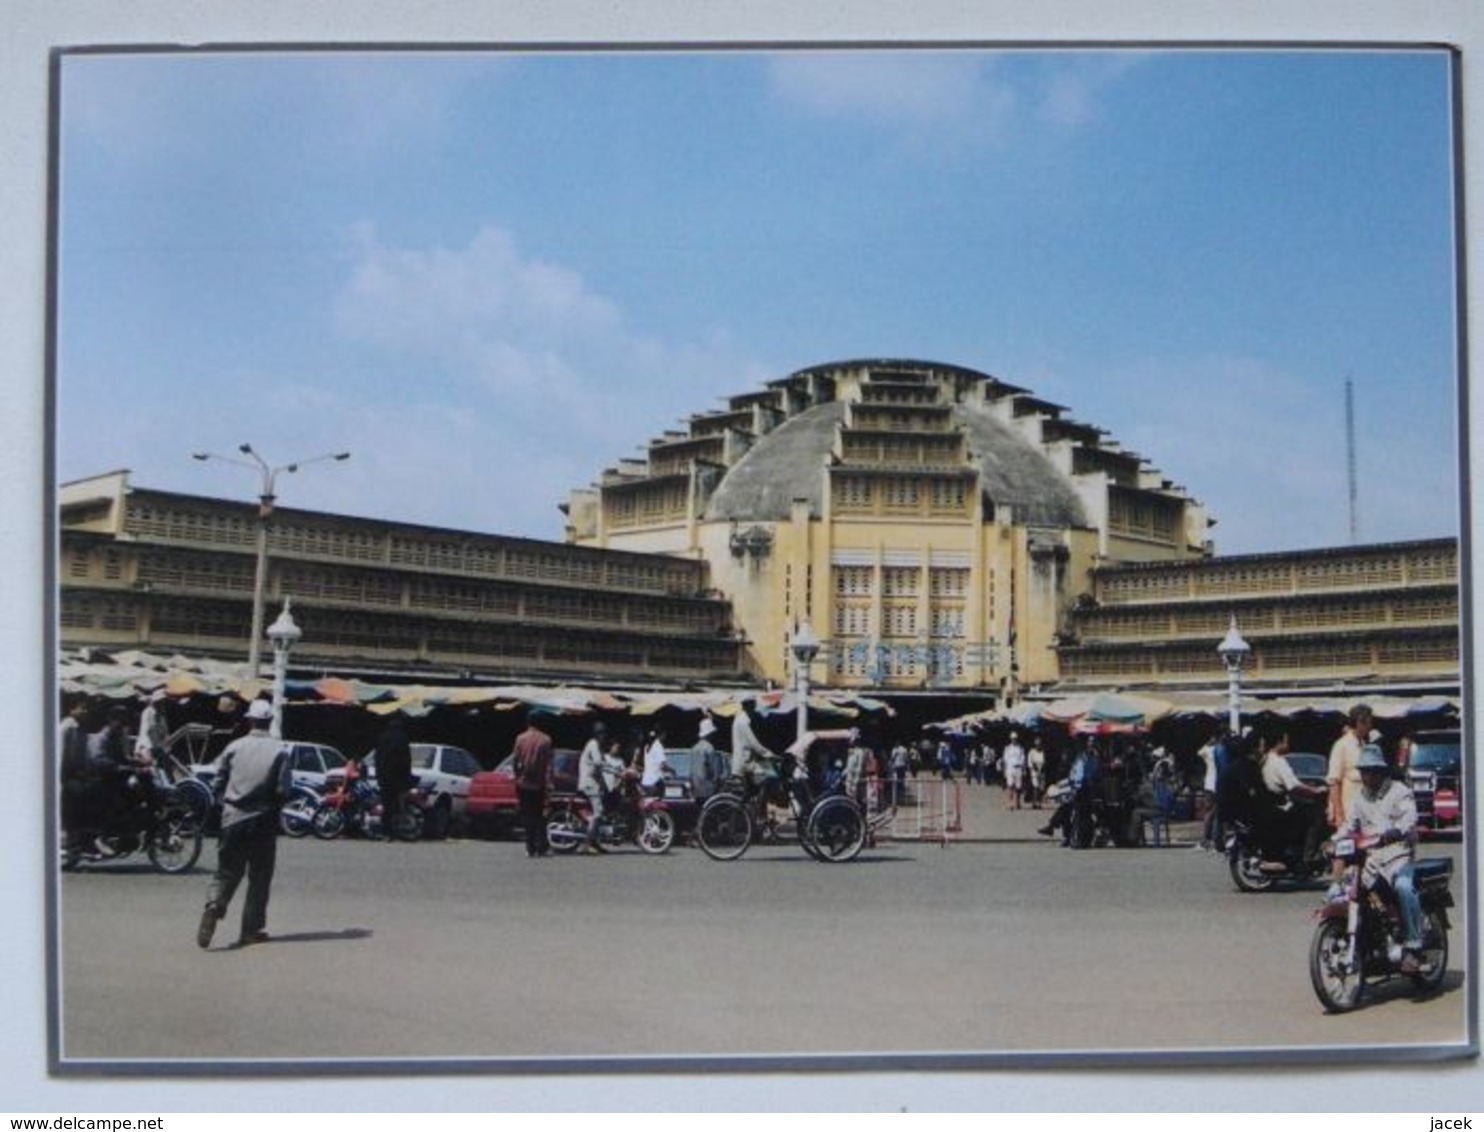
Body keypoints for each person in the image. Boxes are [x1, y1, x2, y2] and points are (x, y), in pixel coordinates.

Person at [197, 699, 293, 949]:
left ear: (250, 721)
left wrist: (225, 803)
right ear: (270, 721)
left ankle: (214, 905)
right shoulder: (279, 751)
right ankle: (250, 930)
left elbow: (217, 779)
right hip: (262, 820)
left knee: (226, 872)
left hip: (232, 818)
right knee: (259, 877)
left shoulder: (234, 747)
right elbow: (283, 790)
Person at [1341, 745, 1425, 973]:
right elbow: (1349, 827)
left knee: (1404, 887)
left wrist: (1397, 830)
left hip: (1398, 856)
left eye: (1371, 770)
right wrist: (1332, 842)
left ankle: (1413, 947)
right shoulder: (1360, 798)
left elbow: (1409, 817)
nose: (1367, 776)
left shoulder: (1399, 791)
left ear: (1381, 771)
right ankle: (1367, 942)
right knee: (1345, 891)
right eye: (1364, 771)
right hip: (1371, 860)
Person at [1258, 733, 1329, 866]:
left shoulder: (1266, 759)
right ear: (1279, 743)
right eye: (1286, 741)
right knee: (1317, 816)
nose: (1288, 744)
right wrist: (1315, 790)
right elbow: (1294, 785)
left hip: (1272, 804)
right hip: (1282, 806)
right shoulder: (1279, 761)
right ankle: (1309, 855)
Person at [512, 709, 556, 858]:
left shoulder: (520, 738)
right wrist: (550, 784)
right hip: (539, 784)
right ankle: (540, 846)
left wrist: (517, 777)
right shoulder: (546, 740)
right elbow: (549, 766)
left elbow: (515, 761)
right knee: (539, 816)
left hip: (523, 783)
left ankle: (530, 847)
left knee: (527, 816)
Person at [59, 698, 96, 862]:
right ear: (71, 709)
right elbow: (63, 754)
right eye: (82, 708)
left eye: (86, 708)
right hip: (68, 775)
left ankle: (83, 841)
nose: (85, 712)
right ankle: (73, 843)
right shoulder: (68, 727)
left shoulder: (80, 728)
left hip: (78, 774)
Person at [1327, 704, 1373, 833]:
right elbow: (1334, 782)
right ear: (1359, 722)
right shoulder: (1342, 745)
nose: (1370, 727)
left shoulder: (1364, 745)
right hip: (1348, 809)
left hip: (1366, 808)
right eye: (1368, 723)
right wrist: (1339, 814)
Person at [372, 713, 415, 840]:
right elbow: (405, 759)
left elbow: (377, 758)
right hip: (398, 776)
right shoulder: (402, 738)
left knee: (386, 803)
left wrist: (378, 774)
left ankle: (385, 830)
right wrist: (407, 776)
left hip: (383, 776)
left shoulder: (382, 737)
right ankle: (395, 830)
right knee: (397, 803)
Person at [577, 722, 611, 852]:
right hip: (588, 783)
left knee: (601, 811)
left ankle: (595, 842)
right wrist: (607, 765)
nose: (604, 736)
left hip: (593, 783)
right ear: (597, 734)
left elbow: (602, 763)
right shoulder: (593, 744)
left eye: (604, 734)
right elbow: (598, 762)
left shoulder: (596, 746)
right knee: (599, 812)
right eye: (602, 733)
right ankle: (586, 844)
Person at [730, 700, 778, 790]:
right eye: (752, 704)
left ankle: (760, 800)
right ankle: (764, 801)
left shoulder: (742, 718)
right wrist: (769, 754)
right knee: (771, 775)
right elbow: (752, 742)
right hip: (744, 762)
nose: (754, 707)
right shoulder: (743, 722)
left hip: (745, 760)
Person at [134, 689, 169, 768]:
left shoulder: (162, 716)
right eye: (160, 701)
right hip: (147, 747)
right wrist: (145, 749)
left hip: (158, 747)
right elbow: (146, 732)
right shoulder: (149, 712)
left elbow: (164, 733)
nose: (162, 703)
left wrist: (166, 746)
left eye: (163, 701)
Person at [640, 728, 674, 798]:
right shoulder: (658, 746)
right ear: (661, 735)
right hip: (655, 782)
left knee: (648, 805)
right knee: (656, 805)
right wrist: (672, 770)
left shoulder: (646, 747)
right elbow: (663, 765)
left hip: (645, 781)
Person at [1001, 732, 1026, 810]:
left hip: (1018, 768)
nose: (1014, 740)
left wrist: (1024, 769)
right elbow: (1005, 760)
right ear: (1010, 739)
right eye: (1013, 739)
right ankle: (1010, 803)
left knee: (1018, 787)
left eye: (1015, 739)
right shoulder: (1007, 748)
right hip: (1010, 768)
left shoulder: (1021, 748)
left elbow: (1023, 759)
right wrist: (1004, 771)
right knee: (1010, 786)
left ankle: (1017, 802)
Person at [1027, 738, 1047, 808]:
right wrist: (1034, 769)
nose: (1038, 746)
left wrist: (1042, 769)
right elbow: (1029, 762)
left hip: (1041, 771)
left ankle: (1039, 802)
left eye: (1039, 745)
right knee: (1035, 787)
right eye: (1037, 745)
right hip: (1034, 772)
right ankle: (1034, 802)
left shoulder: (1042, 752)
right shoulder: (1031, 752)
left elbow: (1044, 761)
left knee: (1041, 788)